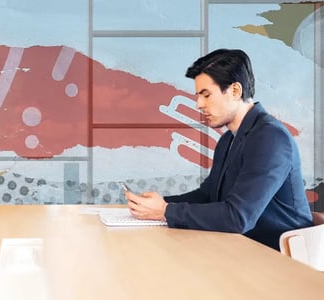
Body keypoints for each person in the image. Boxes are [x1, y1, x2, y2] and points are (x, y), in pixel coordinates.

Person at [125, 49, 313, 250]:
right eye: (198, 96)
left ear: (235, 91)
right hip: (243, 249)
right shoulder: (228, 139)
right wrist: (157, 204)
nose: (198, 104)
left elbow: (238, 218)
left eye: (206, 95)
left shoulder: (270, 138)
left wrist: (165, 211)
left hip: (281, 259)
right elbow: (208, 196)